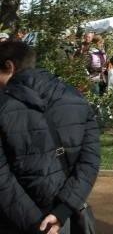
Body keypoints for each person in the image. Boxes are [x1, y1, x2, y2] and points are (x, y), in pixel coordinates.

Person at [0, 41, 100, 234]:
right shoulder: (77, 98)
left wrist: (35, 224)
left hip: (13, 220)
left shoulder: (3, 106)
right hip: (62, 219)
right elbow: (90, 161)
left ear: (9, 67)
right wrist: (62, 211)